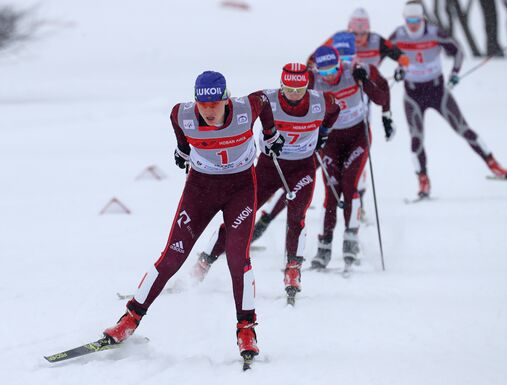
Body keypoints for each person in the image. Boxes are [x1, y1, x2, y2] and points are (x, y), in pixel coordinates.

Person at [102, 71, 284, 362]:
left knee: (238, 257)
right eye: (203, 105)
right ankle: (129, 320)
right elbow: (175, 120)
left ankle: (246, 328)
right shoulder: (183, 114)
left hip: (240, 188)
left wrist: (271, 134)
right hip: (201, 188)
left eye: (215, 104)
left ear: (226, 99)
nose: (209, 111)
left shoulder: (244, 109)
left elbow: (263, 100)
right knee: (173, 255)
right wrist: (182, 147)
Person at [192, 63, 341, 302]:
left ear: (307, 87)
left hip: (303, 167)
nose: (293, 95)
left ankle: (293, 270)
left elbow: (335, 109)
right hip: (269, 167)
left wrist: (323, 132)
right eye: (288, 89)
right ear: (281, 86)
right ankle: (204, 261)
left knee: (297, 216)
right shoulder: (266, 99)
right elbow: (236, 110)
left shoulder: (321, 101)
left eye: (299, 89)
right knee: (240, 217)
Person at [389, 1, 507, 198]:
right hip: (413, 95)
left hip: (437, 92)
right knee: (416, 139)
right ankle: (423, 181)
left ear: (422, 19)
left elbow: (458, 51)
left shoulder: (434, 33)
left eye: (416, 20)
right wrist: (398, 72)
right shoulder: (398, 36)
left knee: (463, 128)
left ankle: (493, 163)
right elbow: (385, 54)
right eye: (409, 20)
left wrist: (455, 73)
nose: (412, 24)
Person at [309, 45, 395, 269]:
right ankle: (325, 245)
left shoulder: (354, 71)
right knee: (332, 189)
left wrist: (364, 82)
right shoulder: (314, 80)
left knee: (350, 185)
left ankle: (351, 239)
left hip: (358, 136)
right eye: (324, 72)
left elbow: (381, 96)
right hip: (331, 140)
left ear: (341, 65)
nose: (329, 76)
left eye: (333, 70)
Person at [307, 8, 410, 69]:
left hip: (367, 85)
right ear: (349, 30)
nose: (358, 38)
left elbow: (399, 55)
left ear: (368, 31)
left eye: (363, 34)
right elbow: (315, 57)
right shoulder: (338, 38)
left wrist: (402, 68)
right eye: (355, 34)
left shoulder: (377, 41)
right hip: (342, 86)